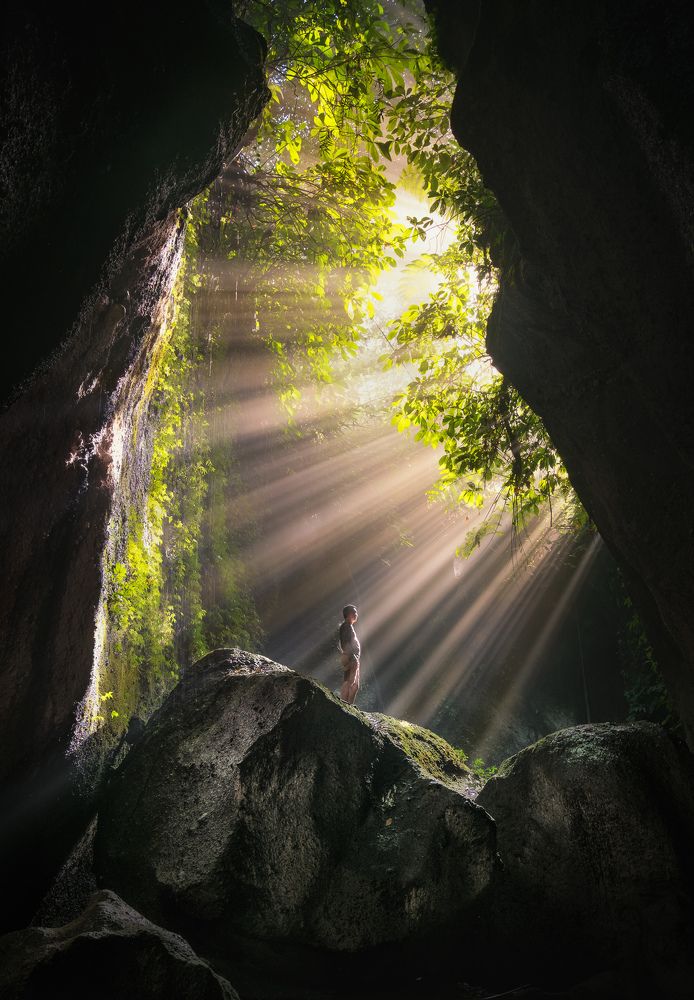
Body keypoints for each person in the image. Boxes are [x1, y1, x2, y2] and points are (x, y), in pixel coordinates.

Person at [338, 604, 360, 705]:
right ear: (348, 614)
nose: (356, 614)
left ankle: (348, 704)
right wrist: (352, 657)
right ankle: (344, 703)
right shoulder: (346, 626)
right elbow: (345, 643)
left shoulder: (348, 626)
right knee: (349, 681)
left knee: (355, 684)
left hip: (352, 657)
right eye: (354, 612)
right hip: (350, 657)